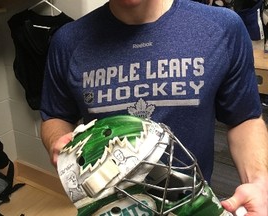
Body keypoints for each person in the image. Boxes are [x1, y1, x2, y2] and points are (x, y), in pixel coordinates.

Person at [40, 0, 268, 215]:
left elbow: (244, 118)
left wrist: (260, 182)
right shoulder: (67, 42)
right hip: (113, 206)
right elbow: (55, 116)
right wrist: (57, 142)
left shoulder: (223, 28)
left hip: (190, 204)